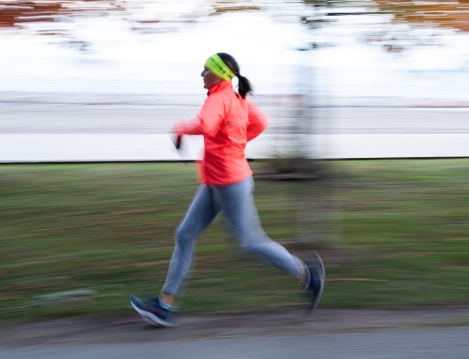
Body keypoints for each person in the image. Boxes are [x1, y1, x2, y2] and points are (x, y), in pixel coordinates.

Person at [130, 52, 324, 327]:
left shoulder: (220, 99)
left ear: (219, 74)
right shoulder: (237, 98)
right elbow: (260, 122)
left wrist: (180, 129)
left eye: (205, 70)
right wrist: (235, 141)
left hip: (230, 181)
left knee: (250, 242)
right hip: (216, 180)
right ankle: (164, 305)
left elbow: (206, 124)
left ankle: (307, 275)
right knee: (185, 235)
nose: (201, 74)